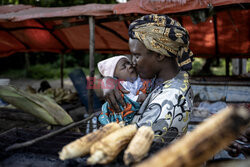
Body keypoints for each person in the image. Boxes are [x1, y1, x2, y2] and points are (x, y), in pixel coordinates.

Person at [101, 14, 194, 143]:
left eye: (137, 56)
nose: (133, 62)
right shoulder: (161, 78)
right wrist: (108, 81)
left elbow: (130, 147)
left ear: (159, 55)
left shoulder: (169, 102)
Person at [97, 55, 150, 125]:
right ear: (115, 75)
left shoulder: (139, 80)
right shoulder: (119, 86)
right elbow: (125, 98)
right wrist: (137, 98)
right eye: (123, 67)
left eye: (129, 63)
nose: (129, 66)